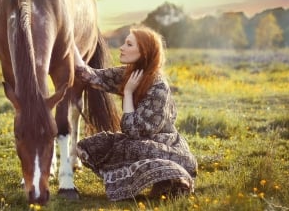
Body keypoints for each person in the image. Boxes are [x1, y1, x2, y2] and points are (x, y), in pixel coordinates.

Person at [74, 26, 197, 201]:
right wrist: (69, 39)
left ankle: (174, 177)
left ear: (144, 52)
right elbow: (90, 75)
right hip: (137, 141)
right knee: (90, 145)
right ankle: (153, 180)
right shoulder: (130, 73)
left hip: (163, 145)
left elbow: (132, 131)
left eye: (129, 44)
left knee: (133, 147)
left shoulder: (158, 87)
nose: (122, 48)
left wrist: (129, 93)